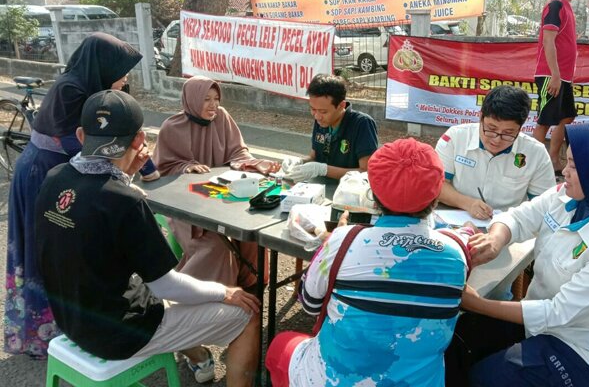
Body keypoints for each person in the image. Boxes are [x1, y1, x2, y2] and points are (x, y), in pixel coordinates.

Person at [35, 90, 261, 386]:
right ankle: (204, 354)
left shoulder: (54, 177)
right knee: (247, 315)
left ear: (80, 135)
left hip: (71, 320)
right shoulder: (124, 200)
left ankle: (199, 357)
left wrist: (125, 176)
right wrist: (226, 292)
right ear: (140, 140)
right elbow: (167, 284)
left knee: (163, 291)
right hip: (119, 333)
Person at [445, 121, 589, 387]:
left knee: (487, 378)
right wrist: (494, 240)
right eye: (566, 162)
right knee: (453, 344)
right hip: (537, 322)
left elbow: (558, 312)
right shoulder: (567, 196)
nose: (564, 172)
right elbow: (519, 217)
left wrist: (477, 304)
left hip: (581, 349)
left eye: (575, 167)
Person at [266, 138, 471, 386]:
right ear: (435, 195)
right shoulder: (457, 252)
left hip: (334, 379)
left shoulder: (344, 240)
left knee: (280, 345)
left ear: (373, 194)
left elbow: (310, 305)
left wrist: (330, 243)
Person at [4, 32, 144, 359]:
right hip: (43, 174)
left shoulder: (91, 88)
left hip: (61, 173)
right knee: (45, 250)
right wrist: (122, 164)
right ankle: (42, 335)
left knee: (62, 253)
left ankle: (65, 328)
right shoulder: (73, 90)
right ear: (103, 64)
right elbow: (79, 145)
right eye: (121, 69)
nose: (125, 77)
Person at [153, 76, 280, 289]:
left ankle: (251, 286)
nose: (214, 105)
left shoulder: (222, 117)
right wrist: (185, 167)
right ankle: (211, 298)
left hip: (222, 198)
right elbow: (162, 169)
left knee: (251, 233)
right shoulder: (171, 127)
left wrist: (255, 163)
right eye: (206, 99)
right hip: (187, 205)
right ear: (192, 100)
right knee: (215, 248)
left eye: (216, 99)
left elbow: (238, 151)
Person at [436, 85, 555, 220]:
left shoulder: (536, 153)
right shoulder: (455, 138)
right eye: (491, 129)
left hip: (511, 227)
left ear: (521, 127)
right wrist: (468, 203)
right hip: (457, 217)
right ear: (480, 116)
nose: (497, 140)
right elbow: (437, 185)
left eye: (508, 133)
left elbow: (544, 204)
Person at [282, 74, 379, 182]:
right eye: (313, 109)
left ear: (341, 105)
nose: (317, 116)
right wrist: (299, 162)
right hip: (319, 188)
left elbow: (366, 171)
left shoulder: (362, 124)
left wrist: (322, 169)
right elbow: (314, 157)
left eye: (323, 111)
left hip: (349, 191)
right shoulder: (321, 121)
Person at [532, 0, 587, 174]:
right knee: (544, 121)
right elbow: (549, 41)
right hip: (551, 75)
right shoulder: (555, 4)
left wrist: (565, 77)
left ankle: (553, 159)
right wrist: (555, 75)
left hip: (562, 77)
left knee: (567, 117)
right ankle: (534, 167)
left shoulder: (567, 6)